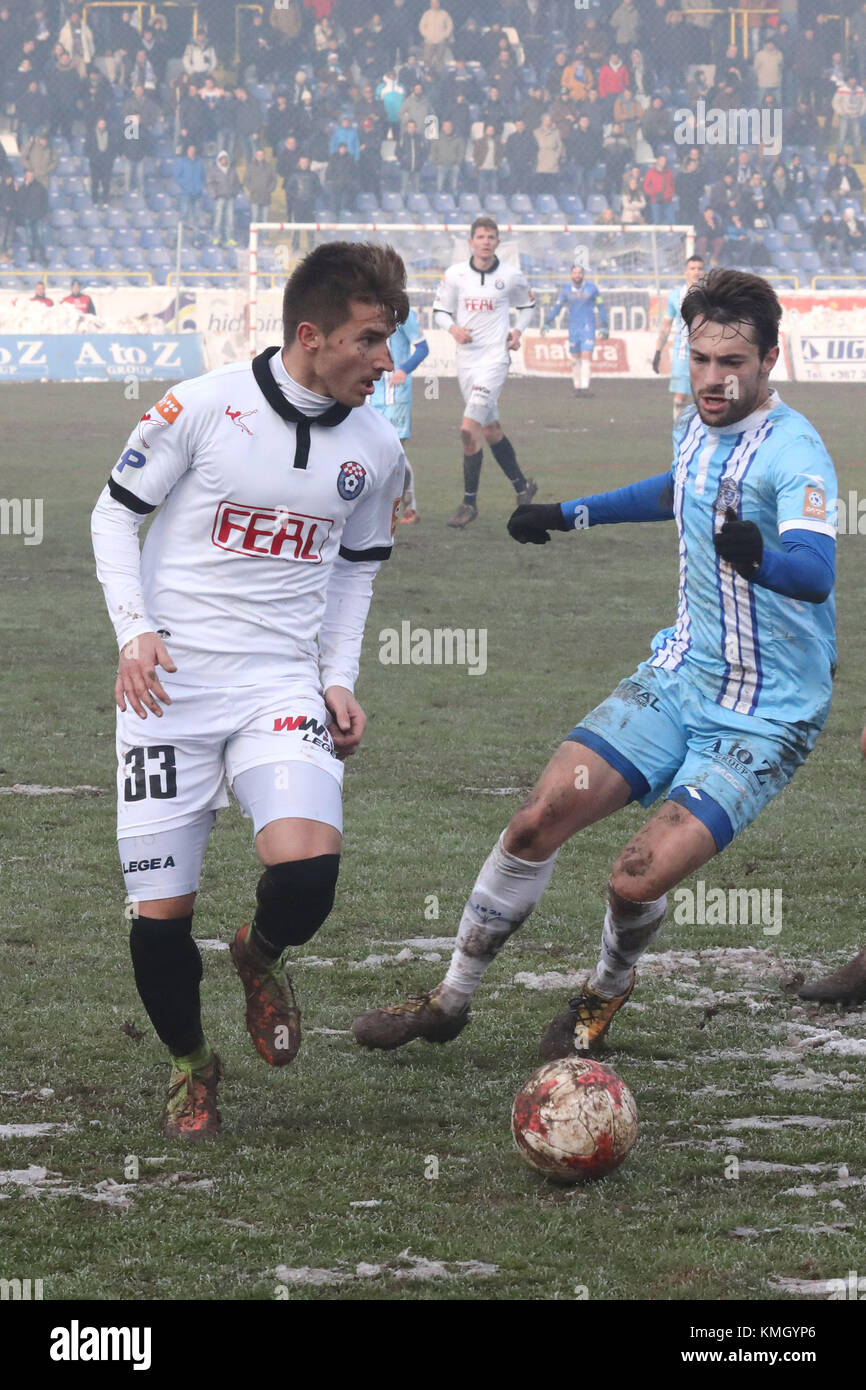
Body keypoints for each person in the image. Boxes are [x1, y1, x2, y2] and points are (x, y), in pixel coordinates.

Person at [353, 269, 838, 1058]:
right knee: (537, 819)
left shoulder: (796, 453)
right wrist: (567, 513)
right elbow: (674, 491)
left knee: (634, 877)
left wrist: (765, 561)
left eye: (732, 364)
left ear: (769, 360)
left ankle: (606, 990)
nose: (712, 379)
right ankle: (449, 1000)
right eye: (701, 359)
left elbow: (815, 569)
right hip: (680, 677)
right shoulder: (695, 422)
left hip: (764, 713)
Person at [90, 242, 410, 1139]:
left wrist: (336, 680)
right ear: (311, 336)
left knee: (307, 874)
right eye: (372, 340)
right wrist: (135, 631)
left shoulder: (378, 448)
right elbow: (115, 513)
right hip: (170, 691)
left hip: (279, 684)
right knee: (160, 924)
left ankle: (258, 952)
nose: (387, 362)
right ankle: (194, 1067)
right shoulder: (203, 405)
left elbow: (356, 575)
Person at [432, 216, 538, 529]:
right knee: (490, 429)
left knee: (468, 428)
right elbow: (440, 310)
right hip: (466, 360)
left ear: (497, 242)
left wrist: (518, 331)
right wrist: (453, 328)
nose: (486, 241)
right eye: (480, 236)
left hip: (495, 358)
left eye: (491, 237)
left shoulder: (510, 275)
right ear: (471, 242)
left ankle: (469, 502)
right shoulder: (456, 275)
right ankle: (522, 487)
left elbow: (528, 305)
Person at [371, 307, 429, 524]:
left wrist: (403, 370)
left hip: (396, 397)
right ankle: (378, 506)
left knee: (395, 454)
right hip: (370, 396)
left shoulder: (404, 314)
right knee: (374, 453)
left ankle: (409, 507)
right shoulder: (365, 308)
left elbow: (423, 349)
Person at [541, 257, 609, 398]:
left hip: (588, 327)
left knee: (586, 356)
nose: (577, 275)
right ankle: (577, 387)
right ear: (571, 275)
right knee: (574, 359)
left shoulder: (592, 289)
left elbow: (601, 307)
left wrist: (605, 325)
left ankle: (585, 387)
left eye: (580, 273)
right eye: (575, 273)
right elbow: (557, 308)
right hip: (573, 328)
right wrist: (548, 321)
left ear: (583, 274)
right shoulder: (566, 291)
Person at [652, 254, 705, 422]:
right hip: (683, 352)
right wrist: (658, 351)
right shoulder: (675, 296)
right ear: (686, 272)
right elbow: (666, 326)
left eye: (699, 268)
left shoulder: (712, 295)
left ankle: (704, 429)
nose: (696, 271)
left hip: (706, 353)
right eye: (692, 268)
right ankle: (679, 428)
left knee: (704, 394)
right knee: (680, 397)